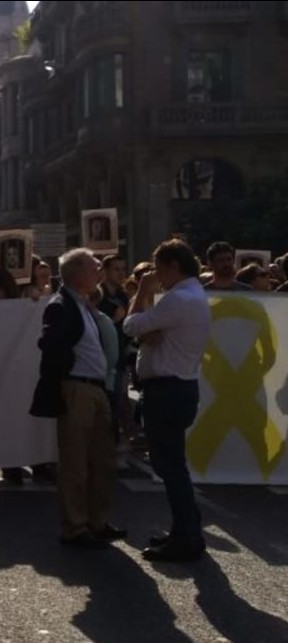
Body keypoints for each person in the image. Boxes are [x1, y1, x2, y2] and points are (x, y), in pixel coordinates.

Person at [123, 239, 211, 562]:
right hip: (179, 388)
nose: (156, 276)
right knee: (172, 464)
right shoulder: (192, 295)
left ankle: (187, 536)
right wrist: (149, 332)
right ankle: (185, 529)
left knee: (170, 466)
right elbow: (149, 333)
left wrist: (143, 293)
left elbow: (131, 325)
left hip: (168, 390)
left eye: (159, 269)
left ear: (174, 265)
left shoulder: (179, 299)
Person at [30, 249, 124, 549]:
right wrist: (63, 381)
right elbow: (51, 345)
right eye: (96, 268)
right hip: (76, 389)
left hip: (96, 389)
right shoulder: (61, 306)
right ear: (79, 274)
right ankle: (75, 525)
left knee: (102, 460)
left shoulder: (83, 305)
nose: (100, 272)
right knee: (75, 462)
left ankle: (97, 520)